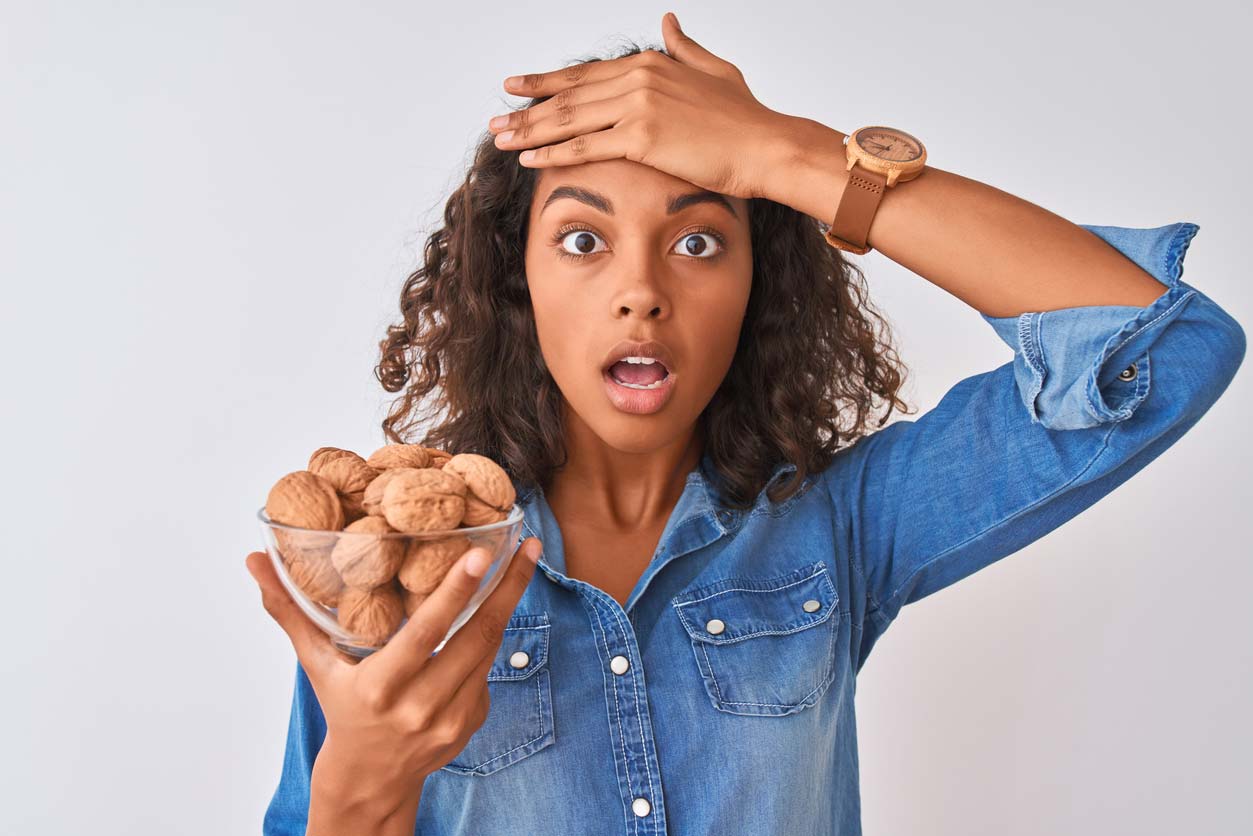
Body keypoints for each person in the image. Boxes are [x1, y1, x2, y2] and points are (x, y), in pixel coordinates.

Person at [245, 13, 1246, 836]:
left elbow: (1158, 347)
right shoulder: (409, 559)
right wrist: (354, 789)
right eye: (583, 239)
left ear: (756, 285)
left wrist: (790, 155)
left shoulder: (838, 528)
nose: (640, 290)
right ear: (519, 284)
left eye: (697, 238)